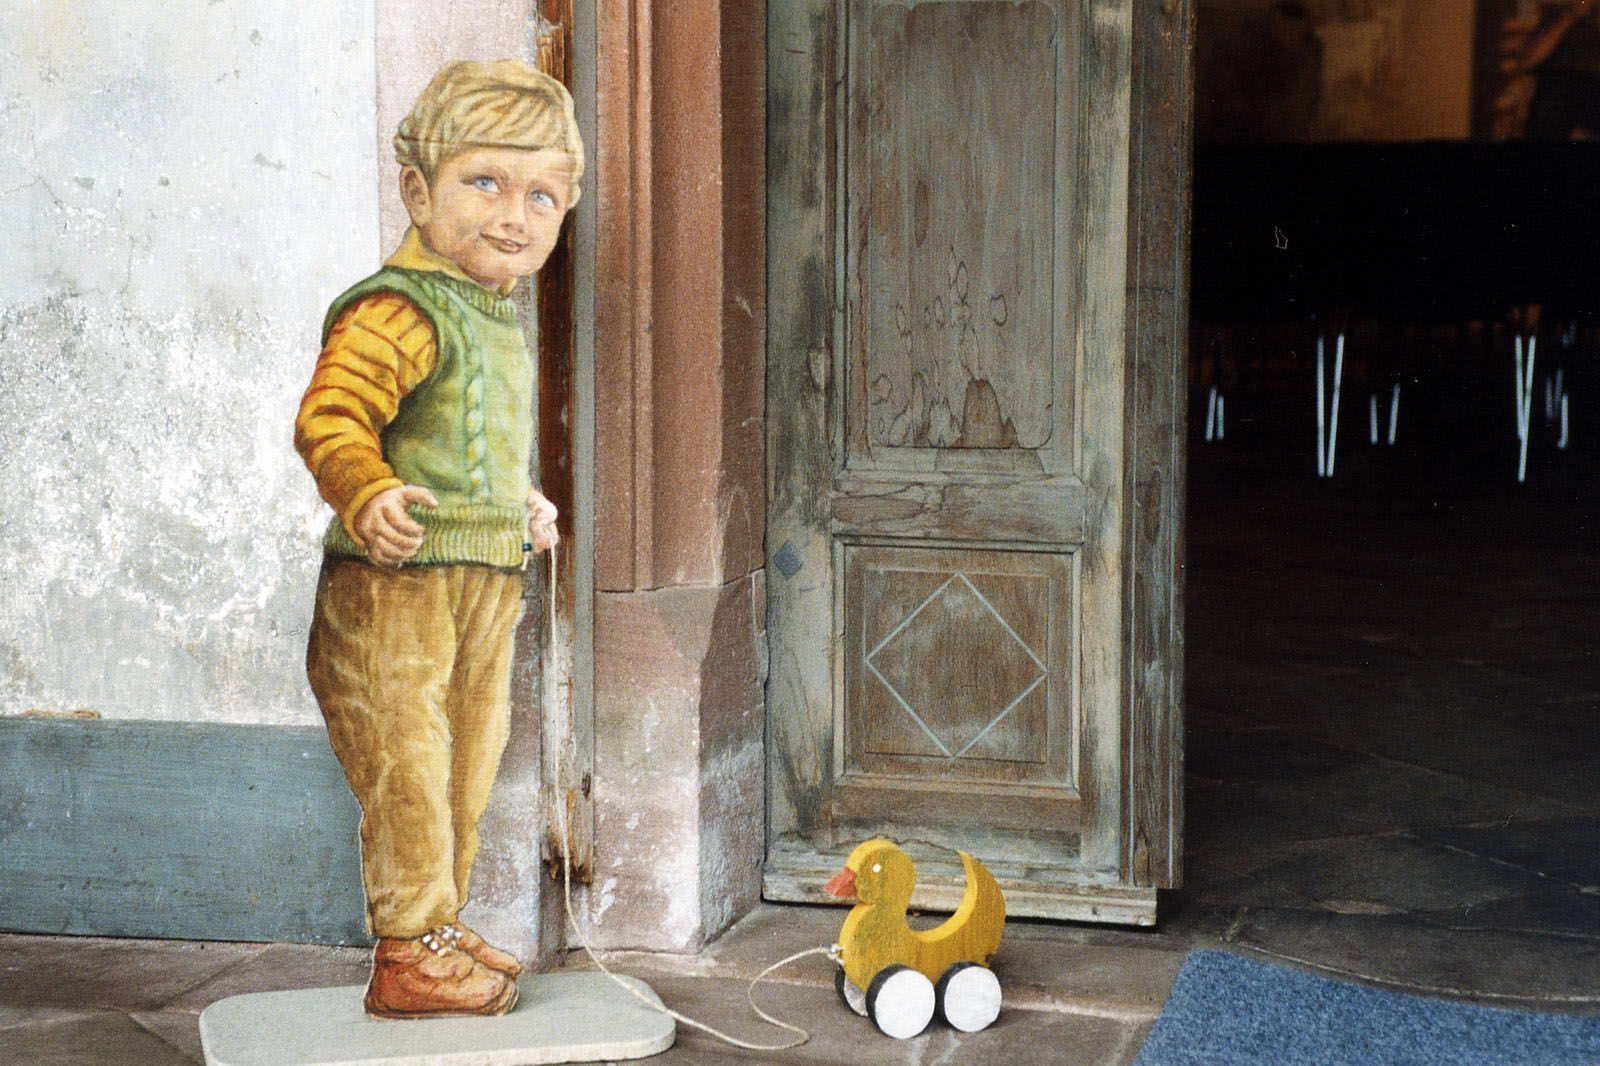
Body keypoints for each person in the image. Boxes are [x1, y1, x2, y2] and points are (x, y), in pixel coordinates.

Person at [293, 58, 581, 1019]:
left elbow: (470, 444)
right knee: (408, 765)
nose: (515, 215)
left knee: (467, 760)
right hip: (397, 587)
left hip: (481, 579)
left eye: (542, 196)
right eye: (485, 181)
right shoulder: (400, 307)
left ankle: (438, 927)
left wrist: (518, 504)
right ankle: (406, 950)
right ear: (417, 191)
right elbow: (335, 414)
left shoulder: (490, 312)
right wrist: (366, 489)